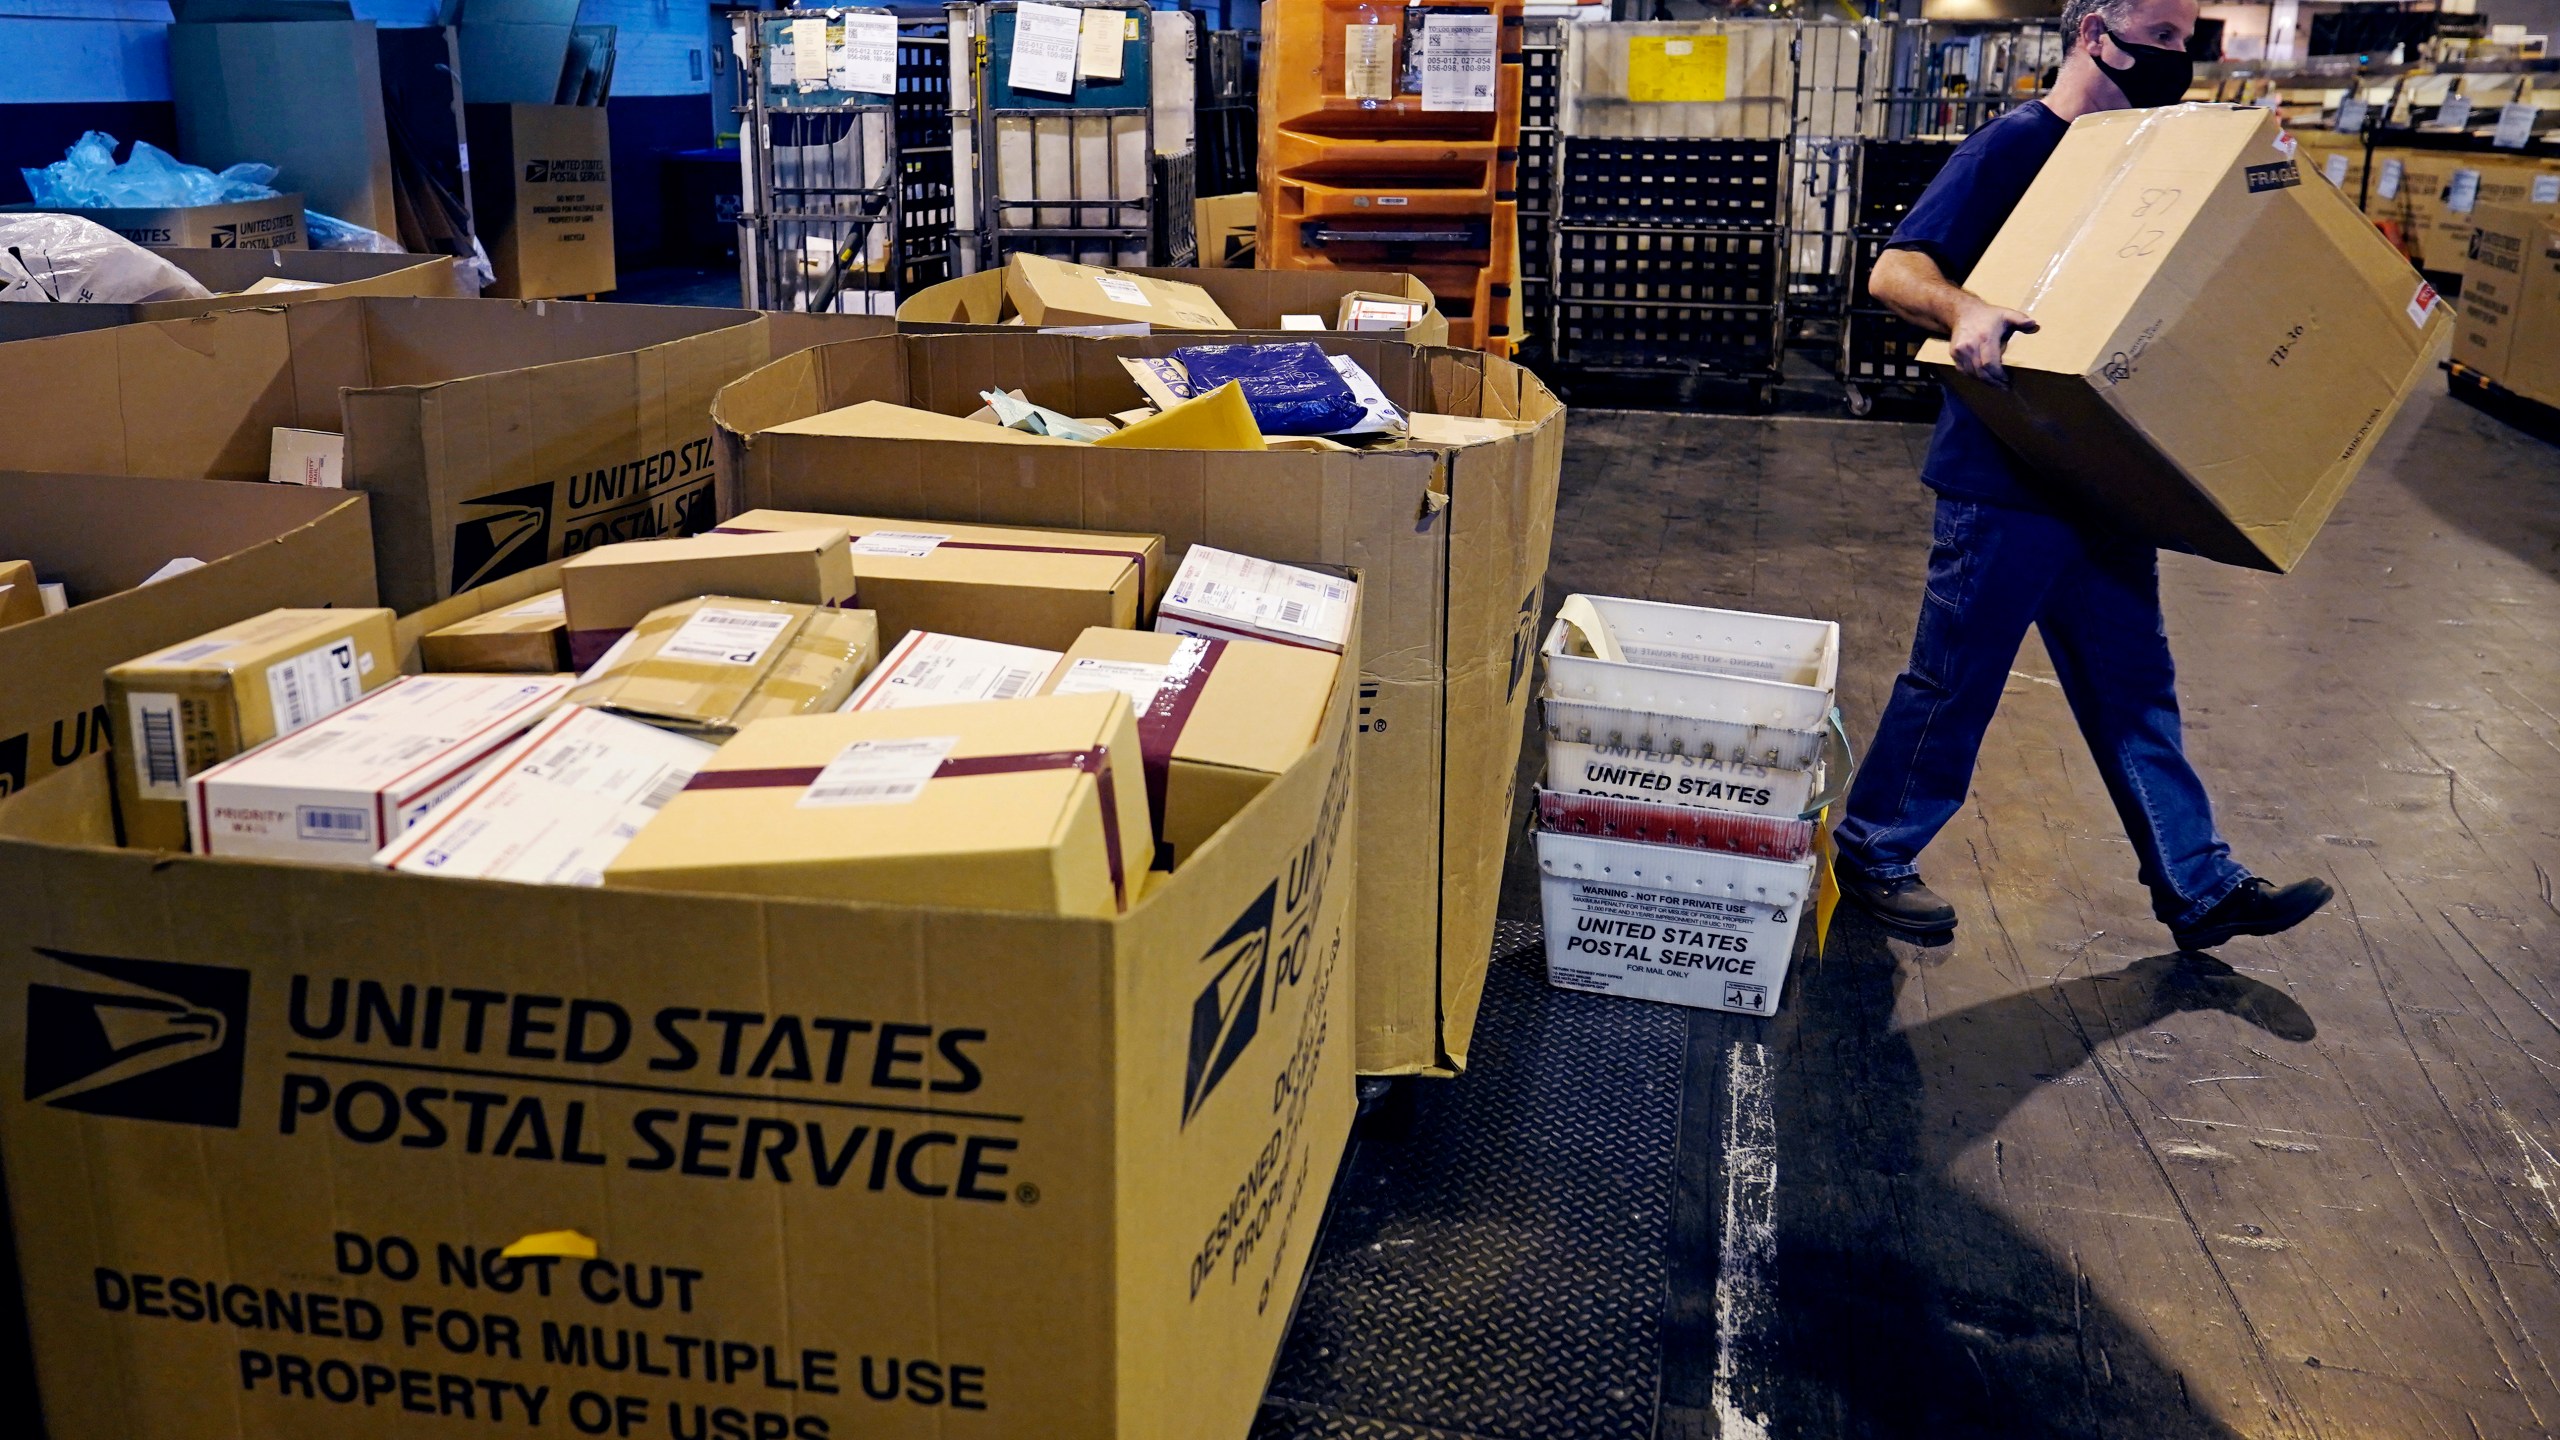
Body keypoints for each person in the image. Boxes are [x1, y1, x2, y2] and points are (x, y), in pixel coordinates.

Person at [1833, 0, 2334, 953]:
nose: (2174, 60)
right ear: (2095, 31)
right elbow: (1896, 272)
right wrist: (1965, 308)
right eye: (2161, 40)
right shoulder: (2014, 146)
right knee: (1958, 678)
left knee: (2133, 681)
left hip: (2106, 472)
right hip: (2007, 475)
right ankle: (1872, 849)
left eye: (2187, 45)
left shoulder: (2146, 160)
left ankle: (2198, 884)